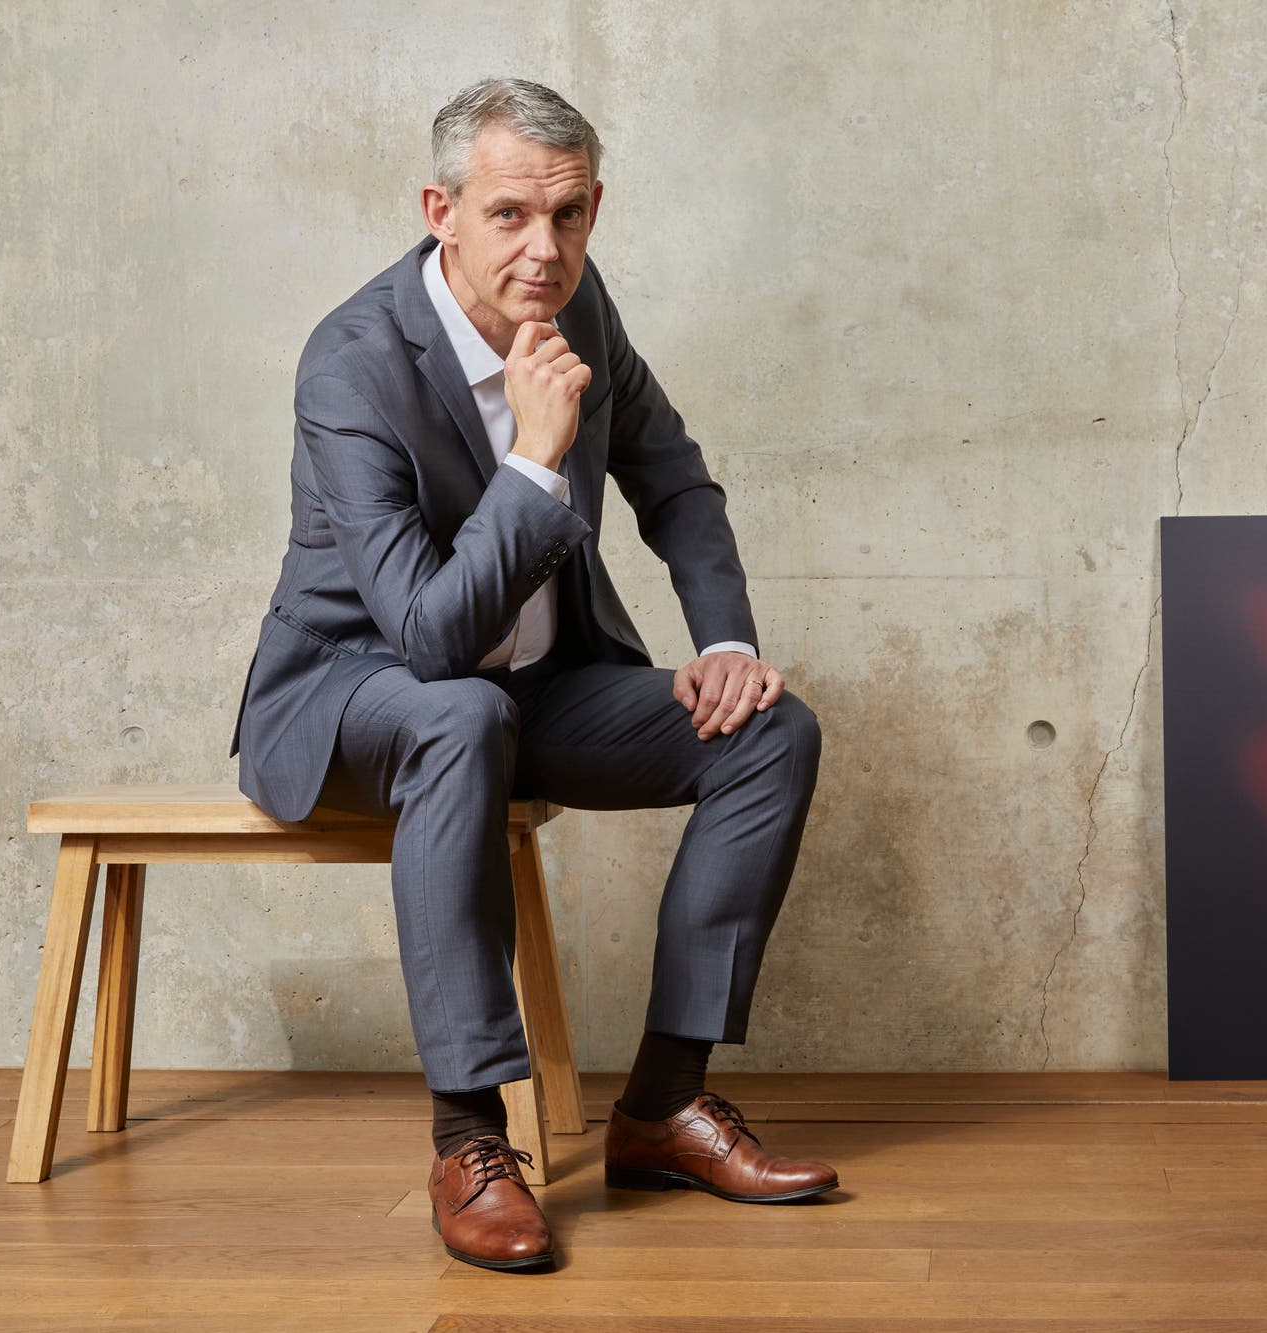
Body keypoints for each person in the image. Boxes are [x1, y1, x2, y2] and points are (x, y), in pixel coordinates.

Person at [226, 76, 836, 1273]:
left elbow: (675, 480)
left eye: (567, 216)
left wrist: (723, 647)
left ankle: (663, 1105)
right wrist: (536, 460)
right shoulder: (352, 364)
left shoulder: (578, 304)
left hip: (534, 690)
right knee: (455, 714)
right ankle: (468, 1138)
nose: (541, 251)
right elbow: (427, 639)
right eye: (509, 215)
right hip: (357, 692)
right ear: (440, 209)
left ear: (595, 207)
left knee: (771, 728)